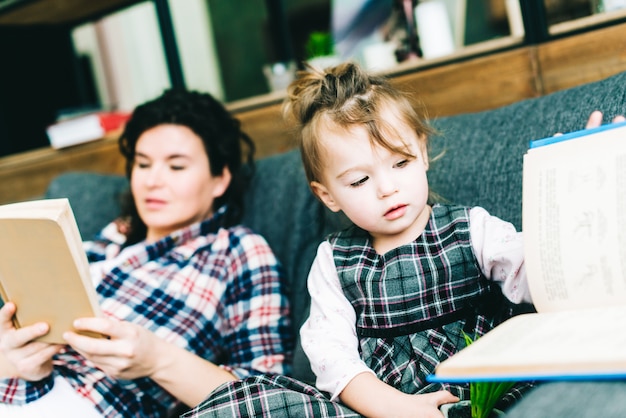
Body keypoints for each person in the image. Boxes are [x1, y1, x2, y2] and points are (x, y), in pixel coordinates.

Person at [181, 64, 625, 418]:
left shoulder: (473, 229)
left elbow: (549, 277)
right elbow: (330, 356)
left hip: (479, 401)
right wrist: (394, 408)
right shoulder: (334, 262)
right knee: (241, 400)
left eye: (400, 163)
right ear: (327, 195)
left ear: (424, 154)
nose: (386, 189)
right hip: (381, 408)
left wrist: (583, 177)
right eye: (358, 180)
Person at [0, 89, 293, 417]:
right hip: (20, 391)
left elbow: (271, 399)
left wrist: (156, 359)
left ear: (219, 179)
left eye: (176, 166)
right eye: (142, 164)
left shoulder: (237, 252)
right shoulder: (106, 241)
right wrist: (12, 357)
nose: (152, 181)